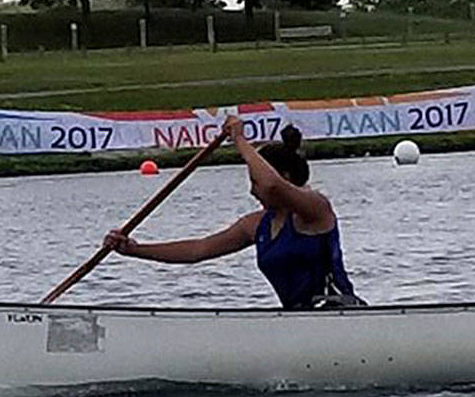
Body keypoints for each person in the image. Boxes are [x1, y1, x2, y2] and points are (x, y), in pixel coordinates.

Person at [104, 116, 364, 309]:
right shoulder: (256, 225)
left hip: (338, 312)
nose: (253, 192)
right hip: (298, 321)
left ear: (285, 176)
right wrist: (134, 250)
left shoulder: (315, 210)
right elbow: (199, 250)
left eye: (254, 183)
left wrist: (239, 140)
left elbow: (271, 184)